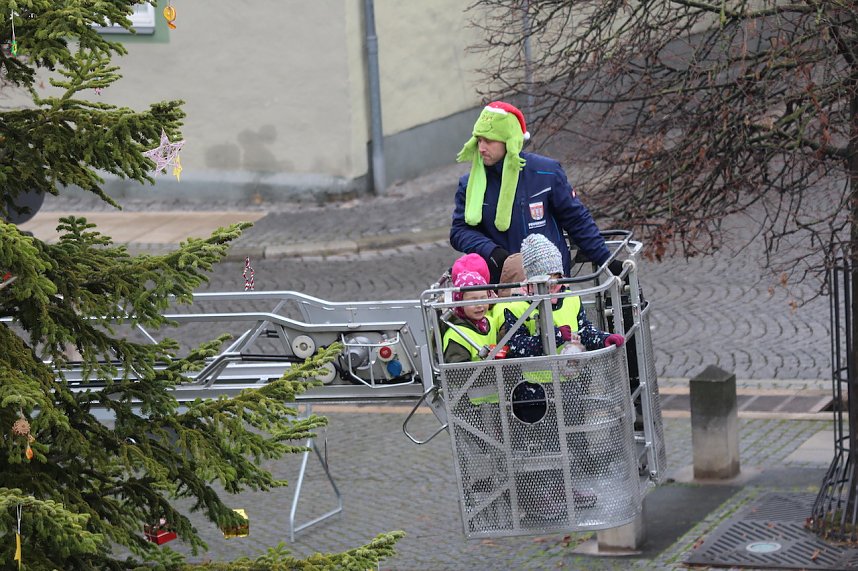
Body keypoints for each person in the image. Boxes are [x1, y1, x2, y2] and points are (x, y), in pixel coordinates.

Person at [450, 101, 615, 283]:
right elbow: (459, 231)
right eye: (479, 140)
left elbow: (576, 219)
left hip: (553, 282)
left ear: (509, 140)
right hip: (504, 284)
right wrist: (491, 252)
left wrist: (608, 262)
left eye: (488, 141)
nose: (481, 148)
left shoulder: (547, 172)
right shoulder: (469, 184)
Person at [500, 234, 624, 358]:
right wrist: (555, 336)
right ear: (532, 278)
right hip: (537, 376)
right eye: (546, 276)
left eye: (557, 275)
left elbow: (584, 331)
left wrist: (603, 339)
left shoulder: (571, 298)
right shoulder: (517, 307)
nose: (553, 282)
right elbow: (515, 346)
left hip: (576, 373)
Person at [442, 254, 498, 363]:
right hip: (476, 379)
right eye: (473, 300)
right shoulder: (455, 334)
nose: (479, 305)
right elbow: (457, 373)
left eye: (483, 299)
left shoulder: (490, 322)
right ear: (459, 302)